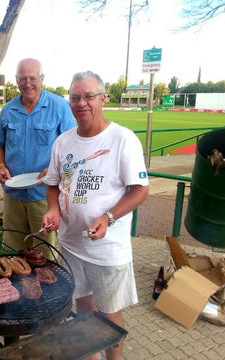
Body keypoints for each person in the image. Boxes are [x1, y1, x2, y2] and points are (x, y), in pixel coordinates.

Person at [42, 71, 149, 360]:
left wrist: (110, 217)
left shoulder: (123, 139)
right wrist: (53, 208)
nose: (81, 103)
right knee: (83, 307)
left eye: (89, 96)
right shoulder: (63, 142)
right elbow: (53, 183)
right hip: (71, 244)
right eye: (75, 97)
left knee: (109, 314)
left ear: (103, 99)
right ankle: (91, 357)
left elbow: (140, 190)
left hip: (107, 251)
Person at [0, 58, 76, 258]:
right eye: (23, 79)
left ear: (42, 79)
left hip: (45, 195)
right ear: (16, 80)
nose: (27, 83)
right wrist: (1, 167)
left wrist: (57, 170)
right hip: (14, 196)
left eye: (32, 78)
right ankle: (20, 287)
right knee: (16, 251)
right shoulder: (8, 110)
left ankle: (48, 288)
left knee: (46, 253)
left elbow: (74, 146)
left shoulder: (59, 107)